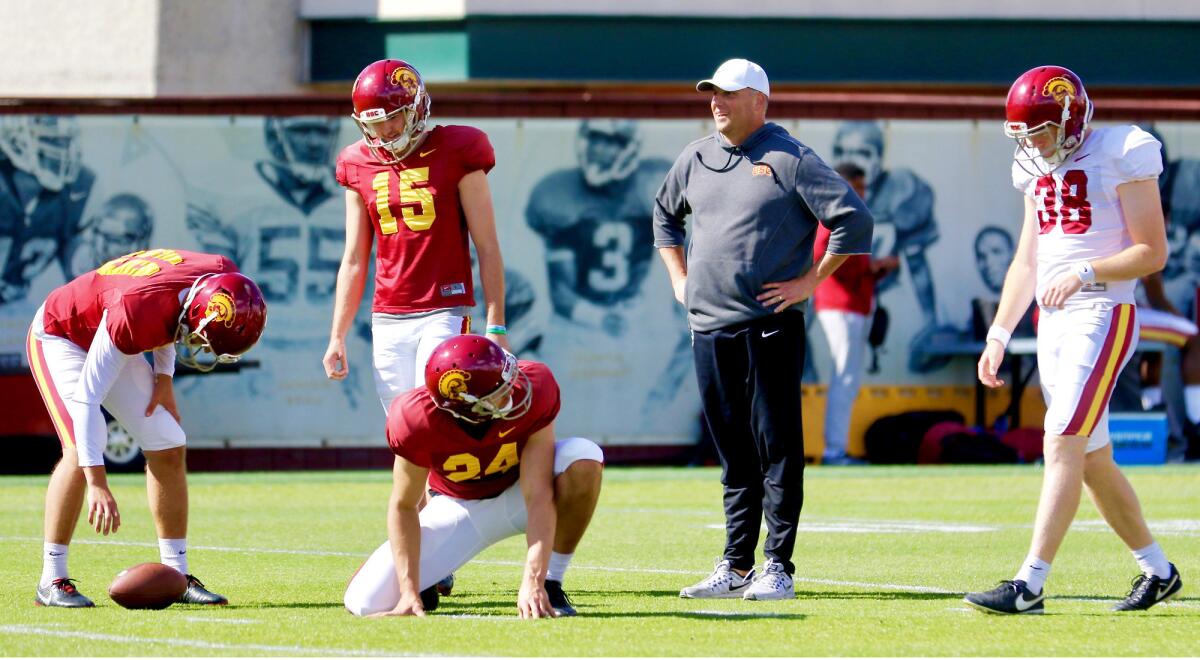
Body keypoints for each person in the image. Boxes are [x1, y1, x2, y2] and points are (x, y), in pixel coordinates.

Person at [654, 58, 873, 601]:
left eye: (728, 94)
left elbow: (854, 220)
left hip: (769, 325)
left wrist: (809, 282)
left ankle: (777, 565)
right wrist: (679, 278)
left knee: (776, 445)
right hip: (707, 326)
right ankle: (733, 564)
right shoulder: (696, 156)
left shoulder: (791, 157)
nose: (716, 102)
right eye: (712, 94)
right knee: (732, 449)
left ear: (759, 100)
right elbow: (663, 216)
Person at [967, 65, 1182, 614]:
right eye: (1024, 133)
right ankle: (1158, 570)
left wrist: (1088, 272)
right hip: (1053, 321)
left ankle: (1030, 583)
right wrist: (998, 332)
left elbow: (1152, 252)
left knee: (1061, 438)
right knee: (1090, 456)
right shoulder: (1032, 163)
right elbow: (1028, 259)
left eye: (1038, 130)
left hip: (1103, 311)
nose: (1033, 143)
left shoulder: (1124, 149)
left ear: (1071, 115)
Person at [26, 248, 267, 607]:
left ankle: (176, 576)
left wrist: (164, 378)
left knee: (168, 442)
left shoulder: (220, 275)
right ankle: (52, 579)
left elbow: (172, 315)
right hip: (63, 334)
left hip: (116, 323)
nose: (197, 346)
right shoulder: (137, 311)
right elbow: (88, 398)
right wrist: (98, 483)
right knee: (79, 449)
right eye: (201, 339)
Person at [343, 334, 604, 618]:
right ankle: (422, 584)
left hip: (520, 493)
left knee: (582, 456)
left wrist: (535, 579)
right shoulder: (415, 419)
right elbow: (403, 505)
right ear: (468, 405)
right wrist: (407, 591)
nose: (515, 389)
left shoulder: (536, 385)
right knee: (364, 602)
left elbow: (538, 492)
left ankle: (553, 582)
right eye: (500, 391)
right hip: (459, 507)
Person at [323, 58, 509, 411]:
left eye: (393, 117)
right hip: (387, 314)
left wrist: (496, 326)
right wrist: (337, 336)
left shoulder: (459, 148)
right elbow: (353, 258)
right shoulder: (356, 161)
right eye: (375, 122)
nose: (387, 130)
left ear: (416, 106)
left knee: (438, 413)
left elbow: (487, 246)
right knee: (402, 428)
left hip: (444, 309)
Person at [526, 119, 694, 437]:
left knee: (649, 414)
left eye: (611, 142)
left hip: (636, 311)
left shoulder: (652, 182)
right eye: (595, 139)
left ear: (630, 149)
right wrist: (600, 319)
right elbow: (560, 293)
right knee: (552, 412)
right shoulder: (558, 194)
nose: (600, 150)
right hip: (575, 324)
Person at [831, 120, 940, 372]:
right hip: (839, 297)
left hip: (886, 294)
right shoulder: (826, 193)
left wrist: (930, 320)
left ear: (879, 158)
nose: (851, 159)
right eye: (842, 151)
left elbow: (916, 263)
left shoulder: (902, 189)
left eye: (862, 152)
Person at [814, 163, 897, 465]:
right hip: (839, 305)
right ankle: (834, 450)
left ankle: (837, 449)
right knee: (843, 379)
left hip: (853, 304)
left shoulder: (847, 212)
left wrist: (875, 271)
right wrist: (872, 267)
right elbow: (821, 256)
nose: (861, 192)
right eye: (856, 186)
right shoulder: (834, 211)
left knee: (848, 379)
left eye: (862, 187)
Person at [0, 115, 94, 306]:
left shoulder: (75, 192)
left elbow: (78, 264)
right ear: (16, 138)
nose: (60, 149)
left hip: (17, 307)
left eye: (63, 141)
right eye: (50, 139)